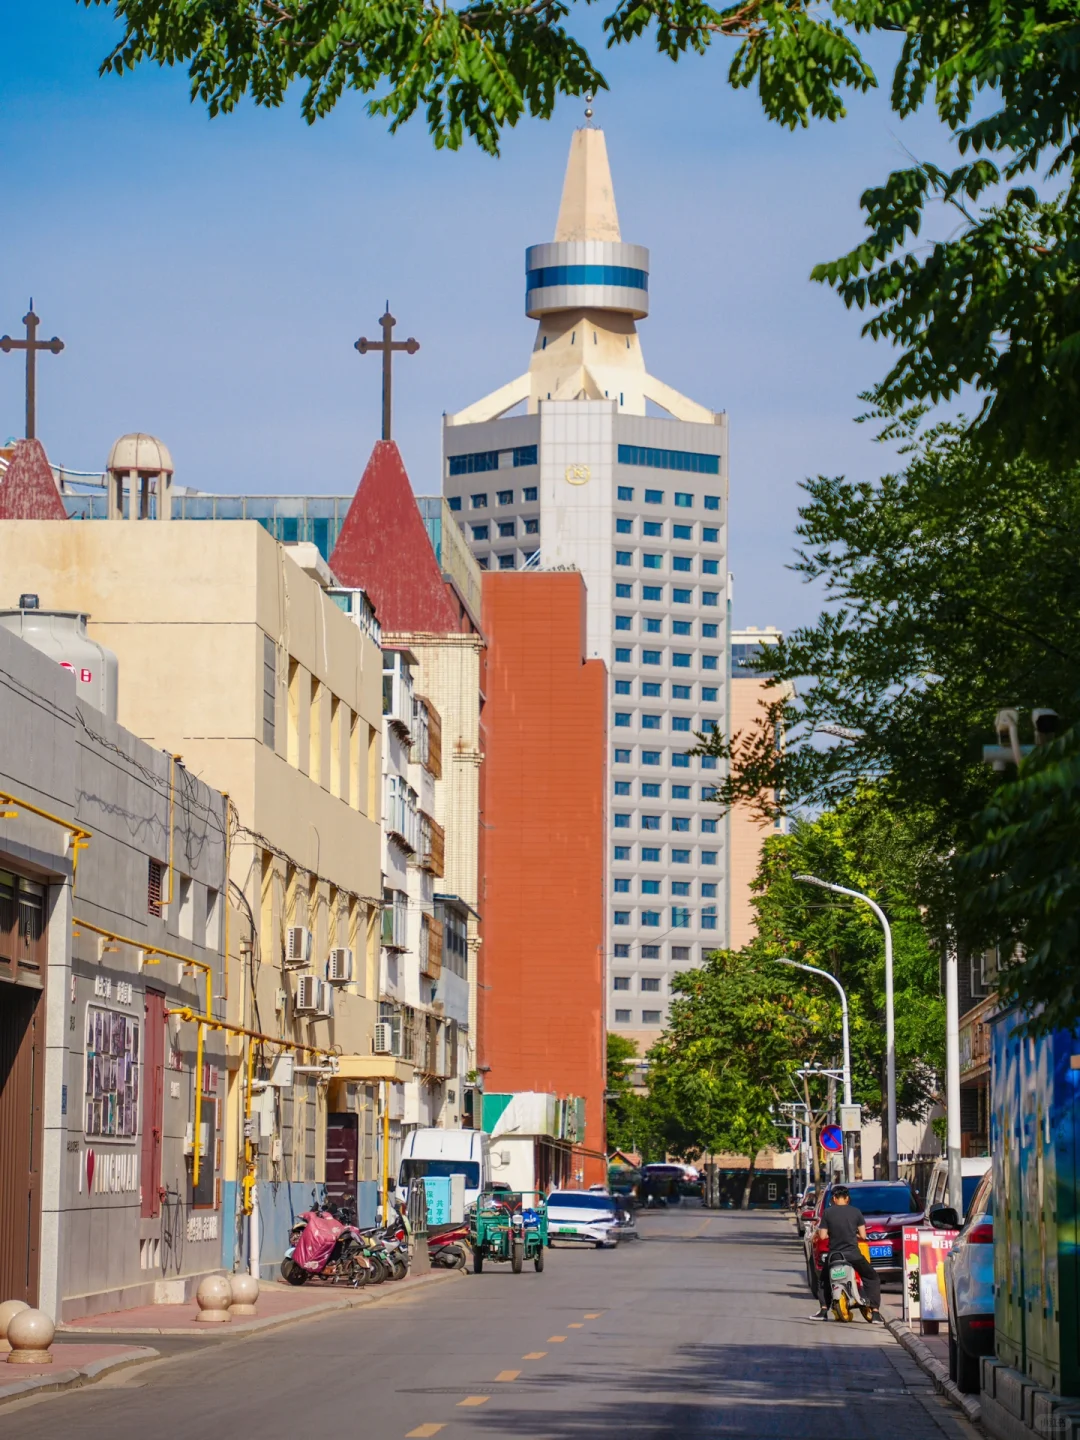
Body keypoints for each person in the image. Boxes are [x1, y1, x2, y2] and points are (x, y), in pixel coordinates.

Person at [811, 1185, 883, 1321]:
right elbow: (863, 1235)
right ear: (847, 1198)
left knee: (823, 1280)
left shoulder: (827, 1213)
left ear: (833, 1198)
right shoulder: (856, 1212)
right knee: (871, 1277)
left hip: (835, 1255)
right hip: (853, 1255)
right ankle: (875, 1313)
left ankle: (823, 1310)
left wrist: (833, 1233)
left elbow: (822, 1236)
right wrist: (852, 1233)